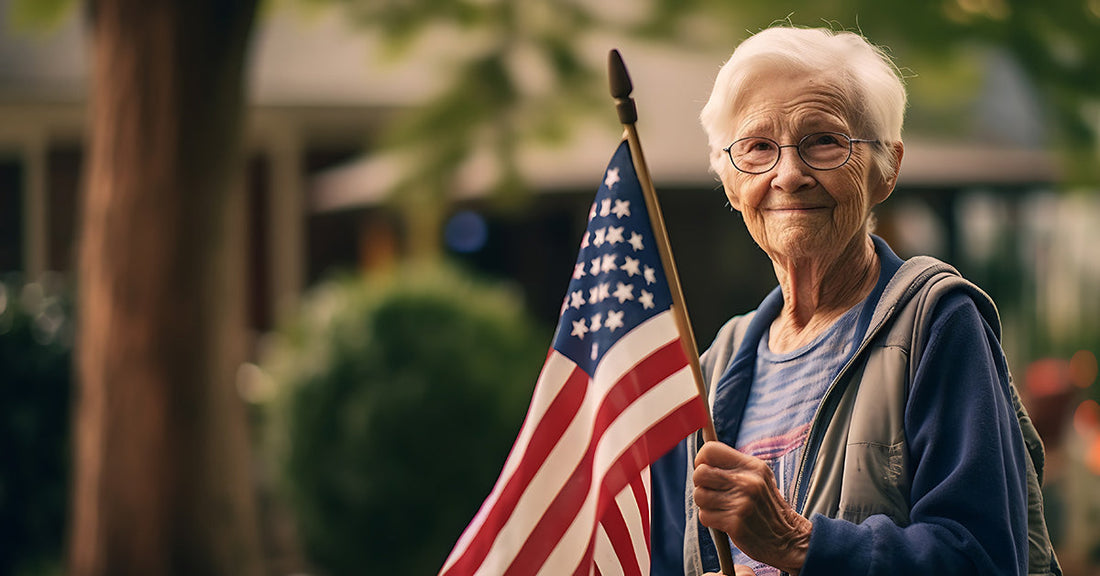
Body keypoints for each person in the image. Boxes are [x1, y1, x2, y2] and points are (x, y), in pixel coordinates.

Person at [648, 26, 1061, 575]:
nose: (789, 175)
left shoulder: (936, 323)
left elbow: (984, 558)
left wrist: (799, 544)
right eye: (757, 147)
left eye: (823, 141)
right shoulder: (714, 368)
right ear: (729, 181)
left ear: (885, 168)